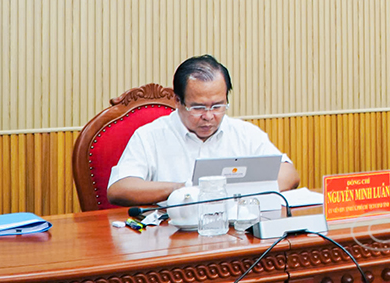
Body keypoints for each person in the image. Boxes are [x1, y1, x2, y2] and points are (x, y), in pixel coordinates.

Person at [107, 55, 300, 206]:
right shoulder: (150, 135)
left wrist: (238, 193)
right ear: (178, 101)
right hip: (171, 235)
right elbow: (119, 189)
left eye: (217, 106)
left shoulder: (244, 133)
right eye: (198, 108)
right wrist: (184, 189)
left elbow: (289, 174)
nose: (208, 116)